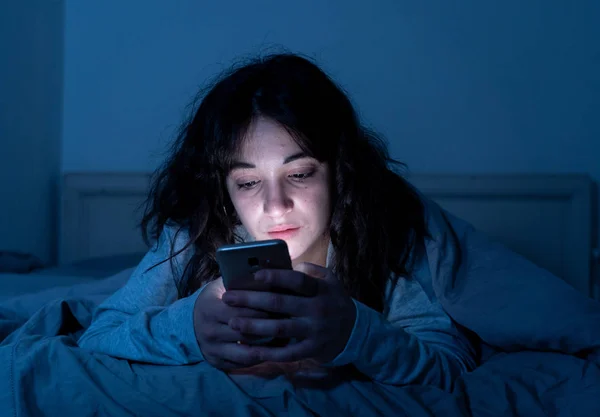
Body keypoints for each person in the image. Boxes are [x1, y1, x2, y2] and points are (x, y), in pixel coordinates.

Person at [77, 53, 476, 390]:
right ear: (225, 191)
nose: (275, 206)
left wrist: (355, 332)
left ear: (338, 175)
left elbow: (451, 365)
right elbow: (99, 335)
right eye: (248, 182)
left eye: (300, 174)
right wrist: (189, 330)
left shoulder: (376, 239)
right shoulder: (191, 237)